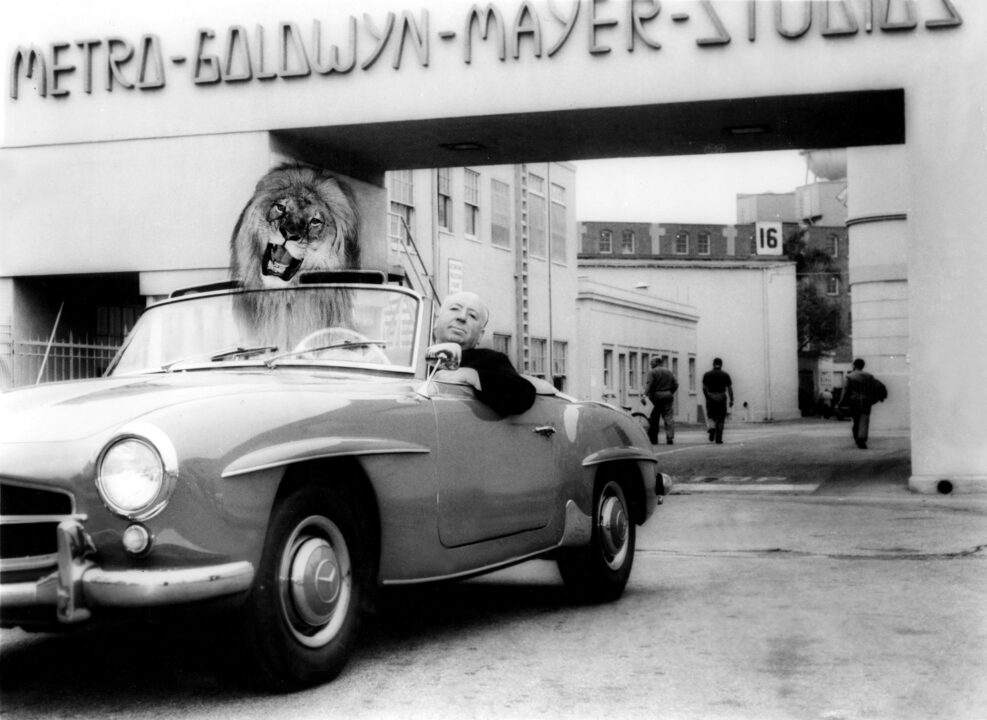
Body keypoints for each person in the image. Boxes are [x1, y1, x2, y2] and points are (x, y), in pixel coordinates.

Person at [426, 291, 536, 416]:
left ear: (480, 335)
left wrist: (472, 376)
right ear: (436, 321)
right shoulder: (412, 357)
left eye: (472, 316)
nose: (462, 317)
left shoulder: (490, 359)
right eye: (454, 309)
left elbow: (523, 393)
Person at [837, 358, 887, 449]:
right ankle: (862, 439)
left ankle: (857, 439)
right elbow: (875, 387)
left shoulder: (849, 376)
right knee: (864, 420)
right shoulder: (869, 376)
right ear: (863, 366)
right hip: (866, 401)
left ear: (854, 365)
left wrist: (840, 402)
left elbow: (845, 391)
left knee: (856, 421)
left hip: (854, 401)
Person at [642, 356, 678, 444]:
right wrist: (670, 392)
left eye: (652, 362)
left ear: (657, 362)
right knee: (668, 417)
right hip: (668, 395)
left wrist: (644, 396)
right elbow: (676, 384)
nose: (650, 364)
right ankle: (670, 437)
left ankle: (654, 438)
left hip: (656, 396)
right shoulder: (669, 371)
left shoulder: (652, 372)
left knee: (655, 417)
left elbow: (649, 385)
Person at [702, 357, 734, 444]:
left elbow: (704, 388)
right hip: (721, 396)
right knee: (720, 417)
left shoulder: (707, 375)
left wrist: (707, 397)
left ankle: (712, 427)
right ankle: (718, 438)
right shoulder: (725, 375)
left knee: (711, 415)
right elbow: (729, 389)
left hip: (711, 396)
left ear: (713, 364)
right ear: (721, 365)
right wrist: (731, 400)